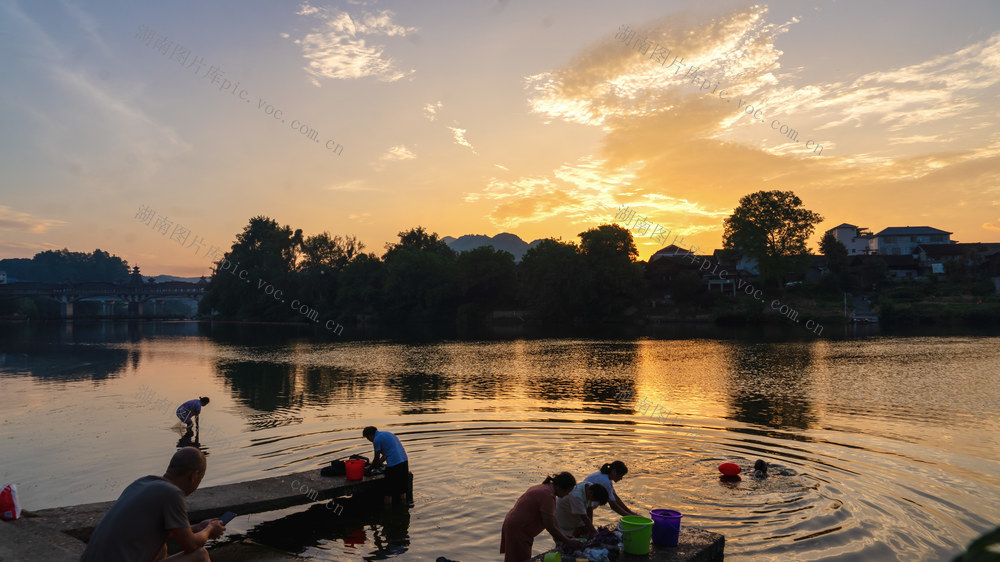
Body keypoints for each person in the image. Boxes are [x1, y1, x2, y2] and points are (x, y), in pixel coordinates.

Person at [81, 447, 226, 562]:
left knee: (160, 546)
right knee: (200, 555)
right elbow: (191, 545)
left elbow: (155, 533)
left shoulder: (142, 482)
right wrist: (209, 529)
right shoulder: (173, 494)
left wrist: (198, 527)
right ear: (193, 476)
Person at [500, 472, 579, 562]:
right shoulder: (547, 495)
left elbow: (553, 519)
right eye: (567, 492)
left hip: (518, 526)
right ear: (560, 487)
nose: (567, 495)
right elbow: (550, 526)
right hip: (518, 529)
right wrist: (568, 542)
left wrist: (565, 537)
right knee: (519, 559)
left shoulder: (547, 490)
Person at [363, 426, 409, 504]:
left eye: (368, 438)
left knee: (388, 492)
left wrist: (368, 469)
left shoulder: (376, 440)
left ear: (370, 435)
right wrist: (378, 464)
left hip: (394, 464)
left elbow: (376, 458)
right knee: (402, 489)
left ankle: (387, 510)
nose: (369, 440)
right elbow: (386, 454)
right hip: (404, 461)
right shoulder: (388, 434)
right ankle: (404, 508)